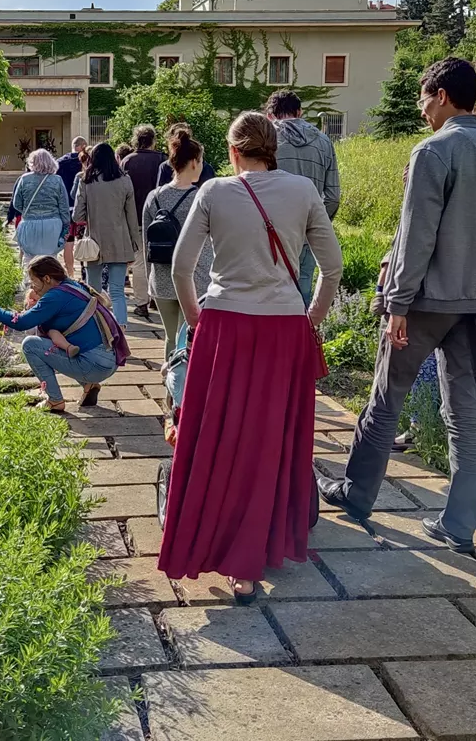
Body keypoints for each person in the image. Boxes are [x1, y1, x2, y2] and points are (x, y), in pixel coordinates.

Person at [319, 58, 476, 555]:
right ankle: (459, 524)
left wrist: (396, 302)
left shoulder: (434, 151)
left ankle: (357, 493)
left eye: (422, 97)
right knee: (464, 412)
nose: (419, 108)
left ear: (440, 95)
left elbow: (416, 234)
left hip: (426, 300)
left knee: (385, 398)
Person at [158, 111, 343, 603]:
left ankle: (216, 546)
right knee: (270, 440)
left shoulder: (215, 192)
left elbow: (181, 268)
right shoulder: (303, 191)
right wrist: (312, 319)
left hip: (225, 324)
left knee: (218, 437)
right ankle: (256, 552)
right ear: (273, 148)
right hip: (284, 325)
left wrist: (198, 319)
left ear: (234, 151)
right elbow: (332, 266)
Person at [389, 107, 476, 451]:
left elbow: (420, 235)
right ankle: (444, 433)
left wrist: (400, 295)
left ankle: (447, 434)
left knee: (447, 371)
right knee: (457, 374)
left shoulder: (458, 161)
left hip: (441, 294)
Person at [0, 255, 118, 412]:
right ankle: (88, 385)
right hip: (108, 360)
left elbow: (21, 322)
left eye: (34, 281)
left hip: (94, 365)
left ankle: (55, 400)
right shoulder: (72, 285)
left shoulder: (55, 296)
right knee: (65, 342)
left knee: (30, 345)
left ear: (47, 278)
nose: (32, 286)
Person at [141, 124, 212, 362]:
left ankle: (169, 389)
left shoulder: (154, 196)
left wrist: (150, 283)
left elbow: (146, 243)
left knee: (171, 337)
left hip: (161, 276)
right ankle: (181, 390)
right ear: (193, 162)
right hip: (196, 277)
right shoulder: (202, 196)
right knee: (187, 338)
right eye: (200, 161)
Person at [266, 90, 341, 307]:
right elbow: (333, 196)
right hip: (308, 233)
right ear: (300, 112)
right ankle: (301, 338)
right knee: (302, 293)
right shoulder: (324, 142)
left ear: (270, 115)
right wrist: (314, 222)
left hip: (268, 232)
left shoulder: (266, 140)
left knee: (267, 294)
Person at [72, 142, 141, 326]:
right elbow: (132, 216)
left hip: (94, 242)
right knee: (117, 290)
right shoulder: (125, 180)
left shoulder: (86, 181)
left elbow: (77, 215)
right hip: (120, 241)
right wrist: (135, 243)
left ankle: (97, 328)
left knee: (94, 291)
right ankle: (121, 328)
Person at [122, 125, 167, 320]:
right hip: (160, 217)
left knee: (139, 262)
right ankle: (157, 297)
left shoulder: (126, 161)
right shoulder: (162, 160)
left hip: (134, 218)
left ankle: (141, 302)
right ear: (153, 140)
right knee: (158, 260)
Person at [11, 149, 71, 272]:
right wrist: (66, 226)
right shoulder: (57, 180)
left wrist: (28, 211)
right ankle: (49, 286)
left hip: (30, 224)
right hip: (52, 225)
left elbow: (16, 204)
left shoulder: (24, 179)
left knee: (29, 259)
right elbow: (64, 207)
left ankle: (30, 286)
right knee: (51, 259)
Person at [57, 137, 88, 276]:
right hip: (83, 207)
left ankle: (70, 272)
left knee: (68, 241)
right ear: (83, 145)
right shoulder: (86, 161)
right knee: (84, 240)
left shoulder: (60, 162)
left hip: (66, 207)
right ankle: (84, 269)